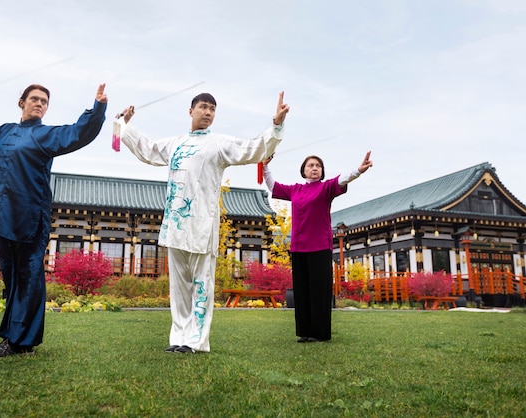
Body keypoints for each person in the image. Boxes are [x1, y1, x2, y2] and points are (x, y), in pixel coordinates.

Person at [115, 92, 290, 353]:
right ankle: (178, 338)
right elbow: (149, 149)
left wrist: (275, 125)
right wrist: (124, 125)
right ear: (190, 111)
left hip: (202, 225)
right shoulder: (175, 143)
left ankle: (196, 341)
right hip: (176, 224)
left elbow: (251, 149)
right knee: (179, 287)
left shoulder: (219, 143)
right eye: (203, 107)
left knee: (201, 285)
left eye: (212, 109)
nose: (208, 113)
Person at [0, 83, 108, 357]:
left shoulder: (46, 135)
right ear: (22, 102)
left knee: (28, 277)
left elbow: (77, 133)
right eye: (34, 99)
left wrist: (97, 108)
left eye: (44, 101)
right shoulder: (4, 132)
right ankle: (18, 338)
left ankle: (19, 341)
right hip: (2, 215)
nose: (39, 104)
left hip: (29, 216)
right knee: (13, 278)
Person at [262, 151, 372, 342]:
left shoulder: (326, 188)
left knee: (319, 291)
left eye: (318, 166)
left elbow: (343, 179)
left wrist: (359, 170)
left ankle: (319, 333)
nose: (314, 168)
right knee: (302, 291)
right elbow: (273, 186)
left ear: (321, 171)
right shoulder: (295, 190)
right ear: (303, 171)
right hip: (298, 247)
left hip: (320, 247)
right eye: (310, 165)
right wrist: (264, 166)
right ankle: (305, 332)